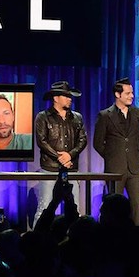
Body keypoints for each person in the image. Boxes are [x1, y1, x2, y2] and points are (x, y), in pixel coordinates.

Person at [33, 81, 87, 226]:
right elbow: (42, 141)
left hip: (71, 169)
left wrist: (69, 155)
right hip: (50, 169)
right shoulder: (43, 117)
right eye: (66, 96)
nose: (70, 99)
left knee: (75, 208)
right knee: (44, 207)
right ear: (56, 98)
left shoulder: (77, 117)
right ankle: (37, 237)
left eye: (70, 96)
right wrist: (60, 157)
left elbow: (83, 140)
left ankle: (74, 237)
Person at [93, 77, 139, 225]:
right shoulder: (105, 115)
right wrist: (112, 156)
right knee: (114, 208)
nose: (132, 96)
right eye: (128, 93)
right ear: (118, 94)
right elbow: (98, 143)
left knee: (137, 208)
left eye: (132, 93)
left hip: (135, 168)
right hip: (115, 169)